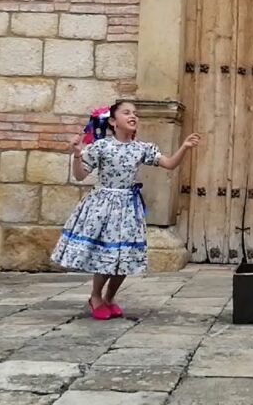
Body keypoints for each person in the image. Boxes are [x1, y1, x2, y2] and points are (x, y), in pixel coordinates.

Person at [50, 100, 201, 320]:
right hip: (103, 206)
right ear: (113, 121)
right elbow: (80, 175)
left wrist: (184, 147)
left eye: (135, 113)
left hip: (129, 207)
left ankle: (109, 298)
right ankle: (95, 296)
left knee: (126, 256)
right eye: (127, 113)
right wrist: (77, 154)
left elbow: (169, 164)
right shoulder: (102, 146)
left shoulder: (141, 148)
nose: (133, 116)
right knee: (107, 254)